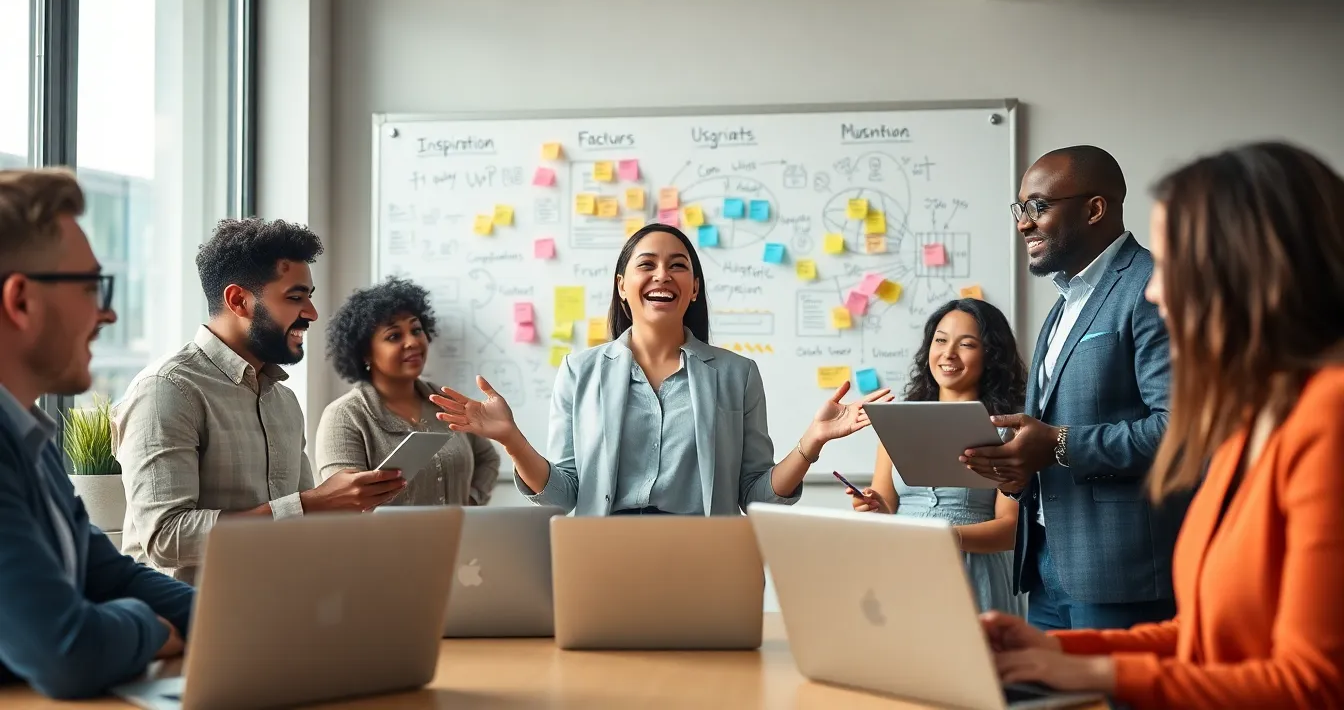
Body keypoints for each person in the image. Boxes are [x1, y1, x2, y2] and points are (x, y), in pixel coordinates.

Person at [981, 142, 1344, 707]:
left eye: (1173, 264)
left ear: (1252, 268)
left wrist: (1104, 677)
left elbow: (1313, 685)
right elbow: (1204, 634)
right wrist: (1057, 653)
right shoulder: (1250, 423)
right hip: (1057, 562)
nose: (1153, 288)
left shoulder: (1329, 418)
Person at [431, 224, 891, 515]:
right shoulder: (580, 370)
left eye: (678, 267)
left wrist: (811, 443)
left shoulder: (737, 374)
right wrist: (511, 439)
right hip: (602, 554)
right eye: (645, 265)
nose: (662, 276)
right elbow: (564, 493)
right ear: (623, 286)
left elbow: (755, 494)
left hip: (705, 556)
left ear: (693, 290)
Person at [962, 145, 1185, 631]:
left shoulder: (1151, 288)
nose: (1024, 223)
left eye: (1038, 207)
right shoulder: (1064, 304)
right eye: (1020, 209)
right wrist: (1019, 470)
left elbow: (1179, 430)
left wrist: (1058, 444)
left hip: (1119, 575)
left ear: (1094, 209)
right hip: (1044, 568)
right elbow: (1049, 435)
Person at [114, 218, 407, 584]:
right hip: (188, 625)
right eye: (296, 297)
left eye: (309, 297)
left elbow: (297, 526)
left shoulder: (282, 400)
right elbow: (165, 538)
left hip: (275, 611)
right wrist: (312, 504)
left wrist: (343, 505)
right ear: (239, 300)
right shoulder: (167, 389)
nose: (312, 313)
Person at [0, 168, 194, 699]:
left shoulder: (26, 440)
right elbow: (65, 651)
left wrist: (243, 620)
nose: (106, 312)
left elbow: (107, 576)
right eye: (90, 287)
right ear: (20, 301)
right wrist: (150, 628)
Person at [847, 298, 1027, 616]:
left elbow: (1011, 528)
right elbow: (885, 507)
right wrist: (872, 505)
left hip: (974, 572)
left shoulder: (1008, 430)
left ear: (991, 355)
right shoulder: (897, 423)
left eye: (967, 344)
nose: (948, 354)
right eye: (940, 340)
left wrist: (945, 538)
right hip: (901, 568)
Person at [315, 277, 500, 506]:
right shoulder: (345, 416)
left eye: (416, 330)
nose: (412, 342)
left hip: (459, 541)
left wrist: (471, 502)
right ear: (365, 353)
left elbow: (488, 458)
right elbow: (346, 501)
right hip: (388, 542)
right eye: (394, 336)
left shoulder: (447, 401)